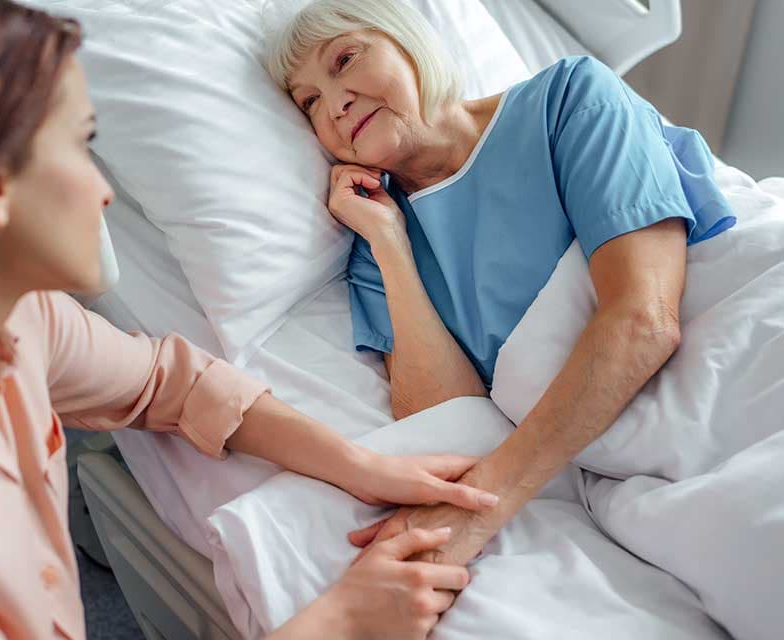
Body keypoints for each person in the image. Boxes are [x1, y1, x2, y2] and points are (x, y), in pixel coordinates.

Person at [0, 1, 492, 638]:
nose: (102, 193)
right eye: (82, 147)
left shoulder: (9, 319)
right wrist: (340, 621)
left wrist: (362, 465)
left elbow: (171, 384)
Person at [268, 0, 734, 576]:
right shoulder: (374, 243)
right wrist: (391, 245)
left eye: (345, 59)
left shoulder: (568, 100)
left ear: (407, 41)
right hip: (605, 457)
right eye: (308, 101)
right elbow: (446, 418)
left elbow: (645, 320)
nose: (334, 105)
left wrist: (484, 507)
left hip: (722, 362)